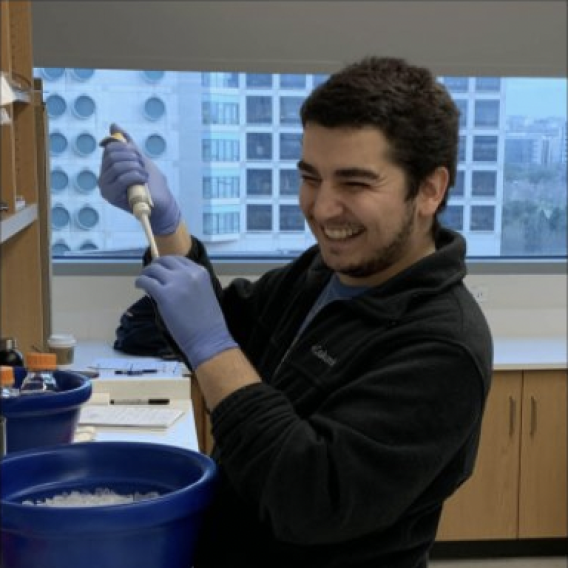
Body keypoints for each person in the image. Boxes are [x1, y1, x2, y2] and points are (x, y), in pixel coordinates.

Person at [98, 56, 493, 568]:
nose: (322, 208)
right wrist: (168, 228)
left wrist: (213, 347)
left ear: (430, 190)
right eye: (311, 176)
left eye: (354, 183)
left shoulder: (442, 346)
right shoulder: (327, 271)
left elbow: (308, 499)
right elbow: (224, 333)